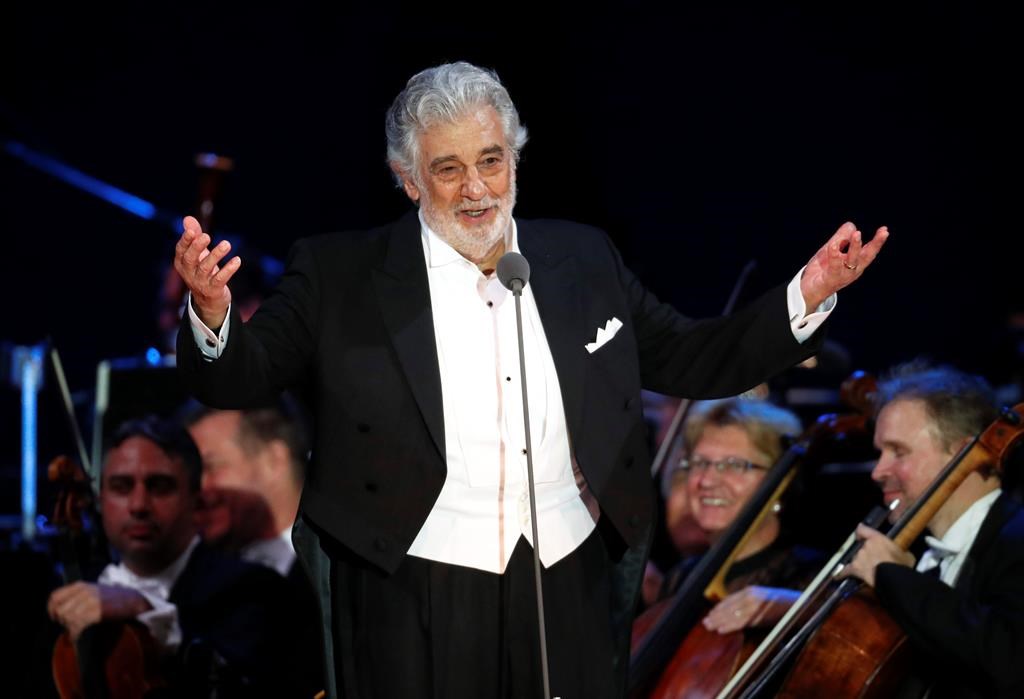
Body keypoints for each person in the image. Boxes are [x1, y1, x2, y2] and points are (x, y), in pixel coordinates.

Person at [173, 61, 887, 698]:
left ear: (514, 157)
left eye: (491, 160)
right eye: (448, 169)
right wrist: (211, 314)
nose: (477, 188)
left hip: (565, 577)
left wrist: (805, 294)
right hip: (417, 582)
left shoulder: (581, 258)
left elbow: (689, 354)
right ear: (408, 177)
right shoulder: (341, 273)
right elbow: (244, 375)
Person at [45, 416, 304, 697]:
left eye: (159, 486)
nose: (139, 505)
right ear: (100, 498)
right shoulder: (67, 592)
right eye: (122, 486)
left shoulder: (254, 588)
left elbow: (244, 685)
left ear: (195, 498)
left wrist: (146, 610)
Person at [842, 363, 1024, 697]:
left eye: (898, 451)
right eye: (879, 453)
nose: (878, 471)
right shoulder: (918, 556)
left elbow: (1009, 657)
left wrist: (893, 575)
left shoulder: (1016, 541)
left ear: (961, 453)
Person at [184, 401, 325, 695]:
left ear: (274, 460)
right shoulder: (194, 583)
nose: (197, 489)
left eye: (209, 467)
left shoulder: (342, 561)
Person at [654, 399, 821, 632]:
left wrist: (799, 608)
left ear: (780, 482)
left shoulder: (810, 578)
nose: (707, 481)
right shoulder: (680, 579)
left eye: (734, 465)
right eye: (700, 463)